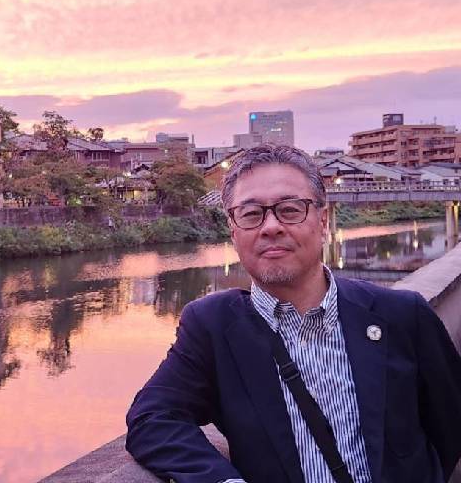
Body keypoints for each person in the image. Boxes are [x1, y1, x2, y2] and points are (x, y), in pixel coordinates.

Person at [126, 145, 461, 483]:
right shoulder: (212, 326)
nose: (270, 227)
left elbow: (449, 425)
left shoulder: (402, 315)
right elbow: (152, 418)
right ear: (233, 230)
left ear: (323, 220)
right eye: (251, 214)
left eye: (289, 210)